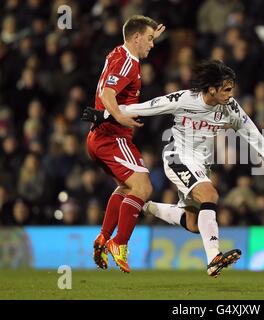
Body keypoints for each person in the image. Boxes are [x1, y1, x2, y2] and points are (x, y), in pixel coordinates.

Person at [82, 60, 264, 277]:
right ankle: (214, 259)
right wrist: (105, 114)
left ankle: (142, 205)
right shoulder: (185, 99)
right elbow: (148, 107)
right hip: (177, 157)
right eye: (226, 89)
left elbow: (248, 128)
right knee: (210, 194)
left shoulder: (230, 107)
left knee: (193, 223)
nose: (231, 94)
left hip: (201, 165)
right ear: (211, 89)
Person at [86, 15, 165, 273]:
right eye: (149, 39)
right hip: (112, 136)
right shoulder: (128, 65)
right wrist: (120, 116)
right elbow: (106, 93)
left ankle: (102, 237)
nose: (152, 45)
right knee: (143, 187)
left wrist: (152, 34)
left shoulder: (121, 53)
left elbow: (109, 86)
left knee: (126, 187)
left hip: (102, 137)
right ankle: (118, 243)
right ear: (136, 37)